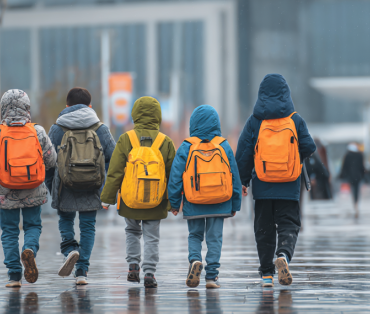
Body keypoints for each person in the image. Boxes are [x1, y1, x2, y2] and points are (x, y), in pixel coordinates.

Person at [236, 74, 316, 287]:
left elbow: (243, 154)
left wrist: (242, 181)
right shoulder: (295, 120)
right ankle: (283, 255)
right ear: (286, 93)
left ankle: (266, 274)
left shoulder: (254, 121)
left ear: (261, 94)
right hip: (289, 185)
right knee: (289, 224)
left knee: (264, 228)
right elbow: (309, 147)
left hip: (262, 186)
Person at [0, 90, 57, 288]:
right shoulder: (38, 131)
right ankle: (29, 250)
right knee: (33, 226)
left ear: (4, 108)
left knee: (9, 231)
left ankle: (14, 275)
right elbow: (51, 160)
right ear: (27, 108)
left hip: (6, 190)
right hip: (33, 187)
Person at [100, 97, 175, 289]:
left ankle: (133, 267)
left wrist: (107, 198)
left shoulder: (126, 139)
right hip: (156, 200)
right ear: (158, 116)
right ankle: (149, 273)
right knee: (152, 236)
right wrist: (173, 202)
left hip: (129, 199)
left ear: (134, 115)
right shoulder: (164, 142)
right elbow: (173, 175)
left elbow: (115, 171)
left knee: (132, 232)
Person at [46, 87, 116, 285]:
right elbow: (115, 157)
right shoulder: (100, 129)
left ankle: (70, 250)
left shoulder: (57, 128)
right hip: (92, 186)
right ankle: (82, 271)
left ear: (67, 106)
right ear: (90, 106)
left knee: (66, 220)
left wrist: (53, 186)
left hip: (64, 186)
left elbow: (48, 162)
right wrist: (103, 182)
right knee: (88, 226)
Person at [168, 105, 242, 289]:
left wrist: (174, 203)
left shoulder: (187, 146)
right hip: (220, 200)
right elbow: (234, 176)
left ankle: (195, 260)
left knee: (195, 235)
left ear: (193, 124)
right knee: (214, 237)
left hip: (194, 200)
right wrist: (235, 203)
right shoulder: (223, 145)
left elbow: (176, 177)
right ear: (216, 123)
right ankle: (212, 276)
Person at [339, 143, 366, 217]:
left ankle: (354, 201)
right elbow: (362, 166)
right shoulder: (360, 155)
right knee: (357, 189)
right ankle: (356, 202)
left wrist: (343, 174)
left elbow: (344, 166)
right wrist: (363, 174)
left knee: (353, 189)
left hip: (351, 176)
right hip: (358, 176)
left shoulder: (347, 155)